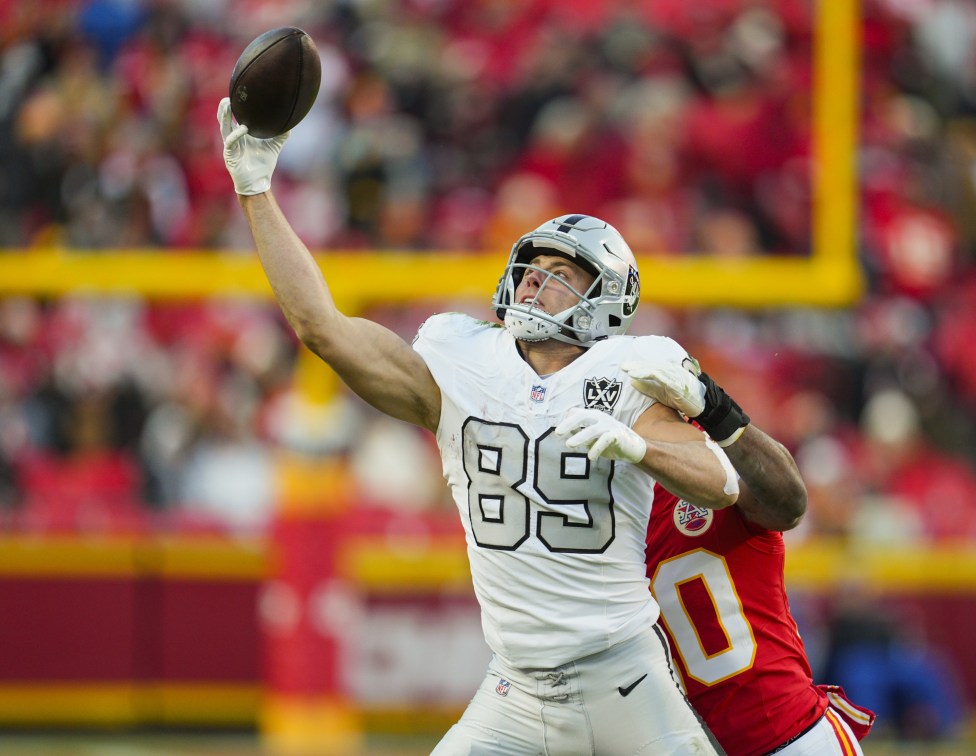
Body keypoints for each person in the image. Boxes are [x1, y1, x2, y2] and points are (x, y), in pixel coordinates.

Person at [217, 98, 740, 754]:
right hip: (515, 688)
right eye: (530, 269)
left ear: (604, 299)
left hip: (624, 678)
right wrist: (256, 189)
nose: (532, 284)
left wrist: (640, 446)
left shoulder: (629, 371)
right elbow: (321, 327)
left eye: (559, 275)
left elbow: (721, 481)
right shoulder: (463, 360)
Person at [620, 361, 877, 755]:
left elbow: (788, 503)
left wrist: (719, 412)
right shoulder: (603, 511)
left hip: (792, 736)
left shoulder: (718, 472)